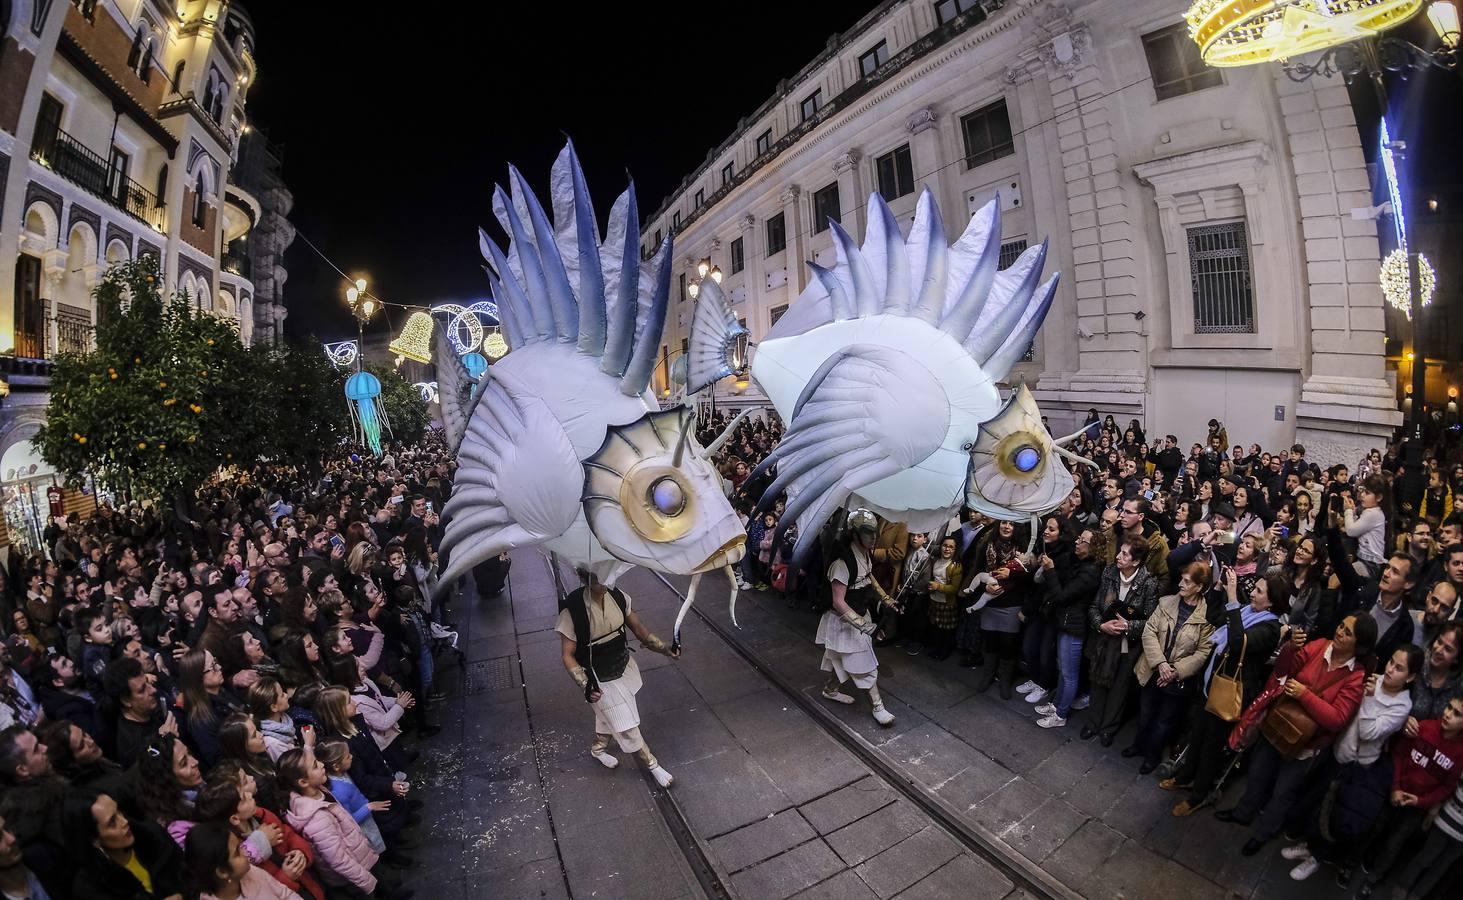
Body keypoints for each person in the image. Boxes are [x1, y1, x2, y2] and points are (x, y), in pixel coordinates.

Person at [1216, 613, 1376, 856]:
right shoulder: (1320, 646)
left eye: (1348, 633)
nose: (1340, 632)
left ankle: (1262, 834)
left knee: (1283, 792)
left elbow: (1337, 719)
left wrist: (1304, 694)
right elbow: (1284, 670)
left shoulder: (1355, 677)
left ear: (1360, 645)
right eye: (1341, 625)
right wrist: (1291, 648)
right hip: (1279, 725)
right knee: (1258, 773)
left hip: (1306, 745)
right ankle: (1242, 812)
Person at [1280, 645, 1420, 883]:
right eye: (1391, 662)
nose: (1390, 669)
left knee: (1336, 813)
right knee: (1319, 802)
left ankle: (1317, 858)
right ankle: (1309, 845)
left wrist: (1367, 698)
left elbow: (1368, 732)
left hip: (1358, 766)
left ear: (1410, 677)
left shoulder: (1401, 707)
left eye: (1399, 668)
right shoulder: (1374, 681)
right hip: (1338, 751)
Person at [1168, 570, 1285, 816]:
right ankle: (1185, 776)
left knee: (1212, 747)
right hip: (1210, 684)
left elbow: (1237, 641)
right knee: (1197, 735)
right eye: (1254, 588)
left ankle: (1199, 795)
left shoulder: (1271, 627)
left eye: (1259, 591)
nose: (1252, 593)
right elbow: (1213, 617)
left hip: (1229, 693)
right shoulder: (1244, 611)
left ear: (1272, 601)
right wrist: (1220, 588)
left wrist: (1233, 597)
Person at [556, 568, 682, 783]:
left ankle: (598, 749)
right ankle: (653, 766)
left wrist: (665, 649)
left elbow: (639, 629)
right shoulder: (572, 610)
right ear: (583, 576)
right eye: (597, 576)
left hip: (622, 666)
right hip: (597, 676)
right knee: (626, 723)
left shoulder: (618, 596)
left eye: (607, 573)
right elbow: (567, 655)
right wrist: (585, 684)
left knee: (610, 714)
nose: (603, 580)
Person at [1354, 692, 1463, 897]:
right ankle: (1351, 862)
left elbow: (1447, 786)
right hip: (1396, 790)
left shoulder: (1459, 754)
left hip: (1416, 807)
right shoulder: (1425, 727)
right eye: (1449, 707)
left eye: (1457, 714)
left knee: (1394, 843)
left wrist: (1421, 801)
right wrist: (1395, 787)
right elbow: (1400, 754)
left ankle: (1372, 879)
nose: (1448, 714)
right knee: (1375, 826)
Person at [1127, 562, 1215, 774]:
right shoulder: (1166, 602)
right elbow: (1149, 632)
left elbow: (1203, 652)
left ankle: (1152, 755)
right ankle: (1139, 746)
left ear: (1200, 587)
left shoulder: (1207, 617)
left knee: (1164, 721)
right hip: (1153, 670)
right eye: (1181, 579)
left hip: (1178, 679)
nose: (1180, 584)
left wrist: (1175, 671)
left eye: (1186, 581)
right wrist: (1161, 663)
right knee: (1146, 712)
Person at [816, 510, 897, 725]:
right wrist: (866, 627)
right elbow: (838, 602)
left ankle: (830, 689)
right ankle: (878, 707)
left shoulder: (865, 553)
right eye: (867, 533)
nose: (873, 537)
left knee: (840, 659)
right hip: (843, 622)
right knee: (865, 664)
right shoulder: (842, 564)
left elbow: (869, 576)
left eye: (874, 533)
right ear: (854, 534)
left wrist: (886, 598)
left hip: (860, 616)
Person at [1081, 540, 1161, 746]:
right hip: (1103, 641)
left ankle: (1108, 728)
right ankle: (1092, 723)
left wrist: (1128, 626)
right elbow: (1093, 607)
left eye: (1125, 555)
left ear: (1136, 561)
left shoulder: (1148, 583)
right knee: (1097, 682)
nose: (1118, 557)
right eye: (1120, 552)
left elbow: (1151, 622)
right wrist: (1101, 626)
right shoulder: (1109, 573)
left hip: (1128, 645)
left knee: (1120, 688)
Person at [1032, 529, 1105, 729]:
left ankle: (1061, 714)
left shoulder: (1090, 572)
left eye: (1083, 540)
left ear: (1093, 548)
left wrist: (1050, 570)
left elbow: (1062, 596)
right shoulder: (1080, 563)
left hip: (1074, 627)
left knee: (1069, 674)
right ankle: (1056, 705)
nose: (1077, 542)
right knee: (1063, 670)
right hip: (1066, 622)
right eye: (1079, 538)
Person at [64, 788, 186, 900]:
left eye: (119, 812)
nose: (124, 821)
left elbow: (189, 874)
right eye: (112, 822)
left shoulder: (153, 836)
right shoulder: (90, 887)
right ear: (94, 840)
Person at [921, 537, 962, 661]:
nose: (947, 549)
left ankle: (945, 652)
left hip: (946, 603)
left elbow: (954, 589)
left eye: (951, 547)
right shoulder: (936, 561)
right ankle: (936, 649)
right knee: (936, 628)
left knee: (946, 631)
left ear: (955, 550)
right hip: (934, 600)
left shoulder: (956, 566)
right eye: (945, 545)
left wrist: (937, 586)